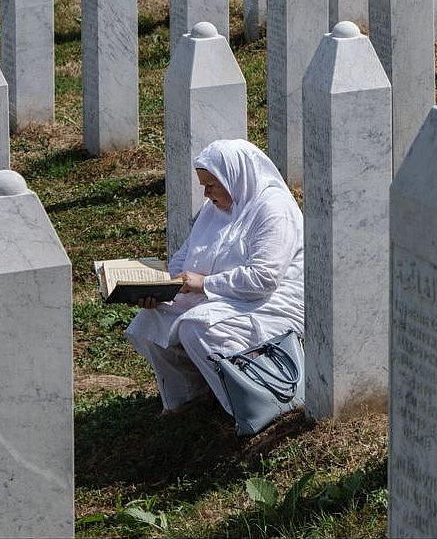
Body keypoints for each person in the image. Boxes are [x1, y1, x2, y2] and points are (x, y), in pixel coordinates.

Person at [126, 140, 305, 416]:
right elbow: (184, 258)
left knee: (196, 327)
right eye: (204, 185)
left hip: (271, 301)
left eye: (212, 184)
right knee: (150, 319)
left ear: (235, 176)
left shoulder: (272, 209)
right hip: (223, 296)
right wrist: (162, 290)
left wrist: (204, 284)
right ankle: (191, 395)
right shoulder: (215, 210)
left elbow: (264, 279)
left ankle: (251, 400)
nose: (207, 194)